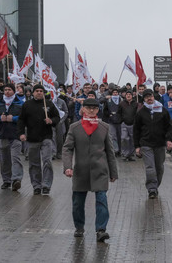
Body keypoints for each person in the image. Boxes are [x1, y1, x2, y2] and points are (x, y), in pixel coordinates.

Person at [63, 98, 118, 242]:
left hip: (100, 171)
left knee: (102, 200)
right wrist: (68, 167)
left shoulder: (104, 127)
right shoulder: (75, 127)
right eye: (88, 107)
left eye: (94, 108)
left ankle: (101, 230)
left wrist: (113, 172)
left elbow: (110, 151)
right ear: (83, 109)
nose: (92, 110)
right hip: (80, 171)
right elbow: (67, 148)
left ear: (98, 110)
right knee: (77, 203)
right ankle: (79, 227)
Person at [18, 84, 61, 195]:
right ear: (33, 93)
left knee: (47, 161)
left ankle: (46, 185)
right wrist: (21, 133)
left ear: (43, 92)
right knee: (34, 163)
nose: (39, 92)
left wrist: (51, 121)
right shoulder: (27, 105)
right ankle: (36, 185)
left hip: (46, 137)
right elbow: (21, 120)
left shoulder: (49, 104)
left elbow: (57, 117)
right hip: (32, 138)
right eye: (37, 91)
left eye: (41, 91)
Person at [134, 89, 172, 199]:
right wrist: (137, 146)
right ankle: (151, 189)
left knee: (159, 168)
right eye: (146, 97)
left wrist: (169, 140)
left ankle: (156, 186)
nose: (149, 98)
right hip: (146, 144)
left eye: (150, 96)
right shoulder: (141, 112)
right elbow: (136, 130)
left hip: (160, 144)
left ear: (153, 96)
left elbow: (169, 127)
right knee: (150, 167)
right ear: (144, 99)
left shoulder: (162, 110)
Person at [0, 84, 24, 190]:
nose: (7, 92)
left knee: (15, 158)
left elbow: (24, 117)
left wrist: (14, 118)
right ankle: (6, 180)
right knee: (4, 159)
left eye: (9, 90)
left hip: (15, 135)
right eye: (5, 90)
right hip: (2, 134)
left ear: (14, 91)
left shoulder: (20, 104)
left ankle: (16, 179)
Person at [117, 90, 137, 161]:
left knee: (132, 139)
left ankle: (130, 154)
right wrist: (121, 120)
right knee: (124, 138)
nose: (128, 95)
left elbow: (137, 114)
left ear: (132, 95)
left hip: (133, 124)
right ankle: (125, 154)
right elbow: (118, 113)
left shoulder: (135, 103)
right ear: (125, 95)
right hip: (124, 123)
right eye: (127, 94)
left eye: (130, 94)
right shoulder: (122, 103)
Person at [102, 88, 122, 157]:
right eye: (114, 92)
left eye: (116, 92)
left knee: (120, 136)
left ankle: (120, 150)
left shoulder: (121, 100)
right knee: (113, 136)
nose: (115, 93)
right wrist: (109, 115)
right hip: (111, 121)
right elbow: (105, 110)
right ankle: (115, 150)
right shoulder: (109, 101)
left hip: (120, 121)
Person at [50, 91, 69, 160]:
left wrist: (62, 120)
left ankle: (59, 153)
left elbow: (66, 112)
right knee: (52, 137)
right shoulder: (49, 101)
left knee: (60, 139)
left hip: (60, 123)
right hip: (52, 122)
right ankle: (53, 153)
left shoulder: (62, 101)